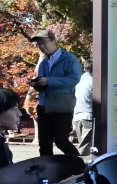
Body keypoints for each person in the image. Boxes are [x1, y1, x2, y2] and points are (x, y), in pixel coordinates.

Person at [29, 28, 83, 158]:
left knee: (61, 140)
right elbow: (44, 85)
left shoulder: (69, 59)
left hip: (62, 104)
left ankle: (78, 163)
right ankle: (46, 168)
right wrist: (36, 84)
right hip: (44, 105)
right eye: (38, 44)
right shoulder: (43, 63)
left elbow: (74, 79)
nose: (41, 47)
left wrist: (49, 81)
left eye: (43, 43)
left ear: (54, 40)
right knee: (44, 143)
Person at [72, 58, 94, 156]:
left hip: (77, 116)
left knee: (83, 145)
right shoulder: (93, 82)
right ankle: (74, 162)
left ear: (84, 68)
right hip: (88, 116)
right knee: (84, 149)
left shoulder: (77, 81)